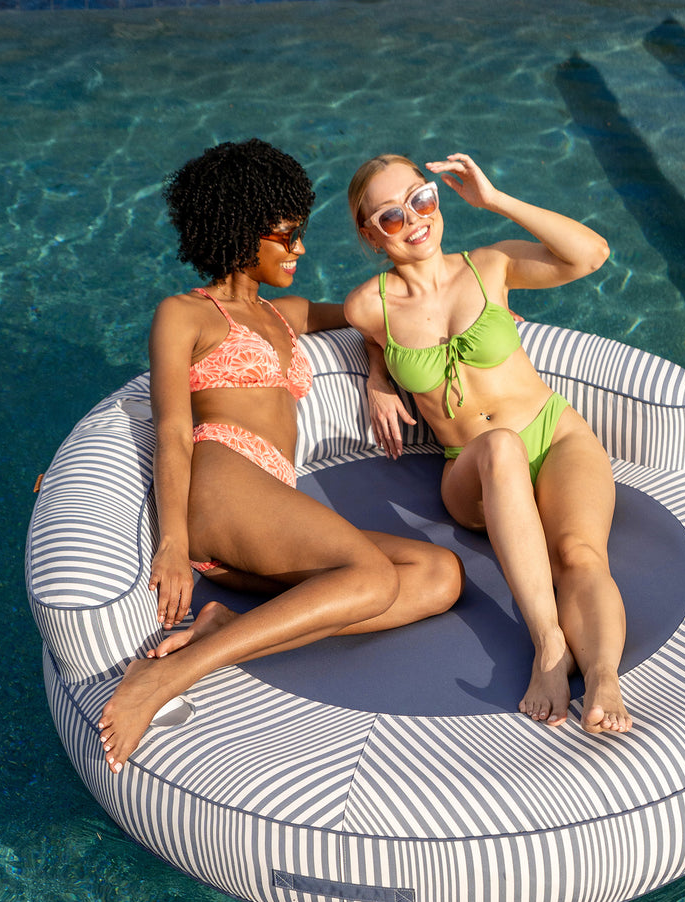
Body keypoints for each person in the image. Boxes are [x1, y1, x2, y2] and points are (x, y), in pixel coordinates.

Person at [98, 140, 463, 773]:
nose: (298, 250)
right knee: (374, 578)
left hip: (268, 506)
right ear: (242, 234)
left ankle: (220, 631)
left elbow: (370, 317)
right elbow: (174, 431)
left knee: (439, 576)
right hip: (221, 483)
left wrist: (379, 377)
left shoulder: (287, 313)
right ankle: (168, 676)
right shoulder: (184, 314)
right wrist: (171, 542)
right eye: (285, 236)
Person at [344, 152, 632, 735]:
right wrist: (377, 376)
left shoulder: (489, 265)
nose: (416, 219)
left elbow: (590, 255)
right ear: (370, 233)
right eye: (392, 216)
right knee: (500, 445)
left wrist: (495, 199)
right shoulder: (368, 306)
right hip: (474, 470)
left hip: (556, 433)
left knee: (579, 555)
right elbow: (372, 338)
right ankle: (549, 646)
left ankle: (604, 678)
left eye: (422, 198)